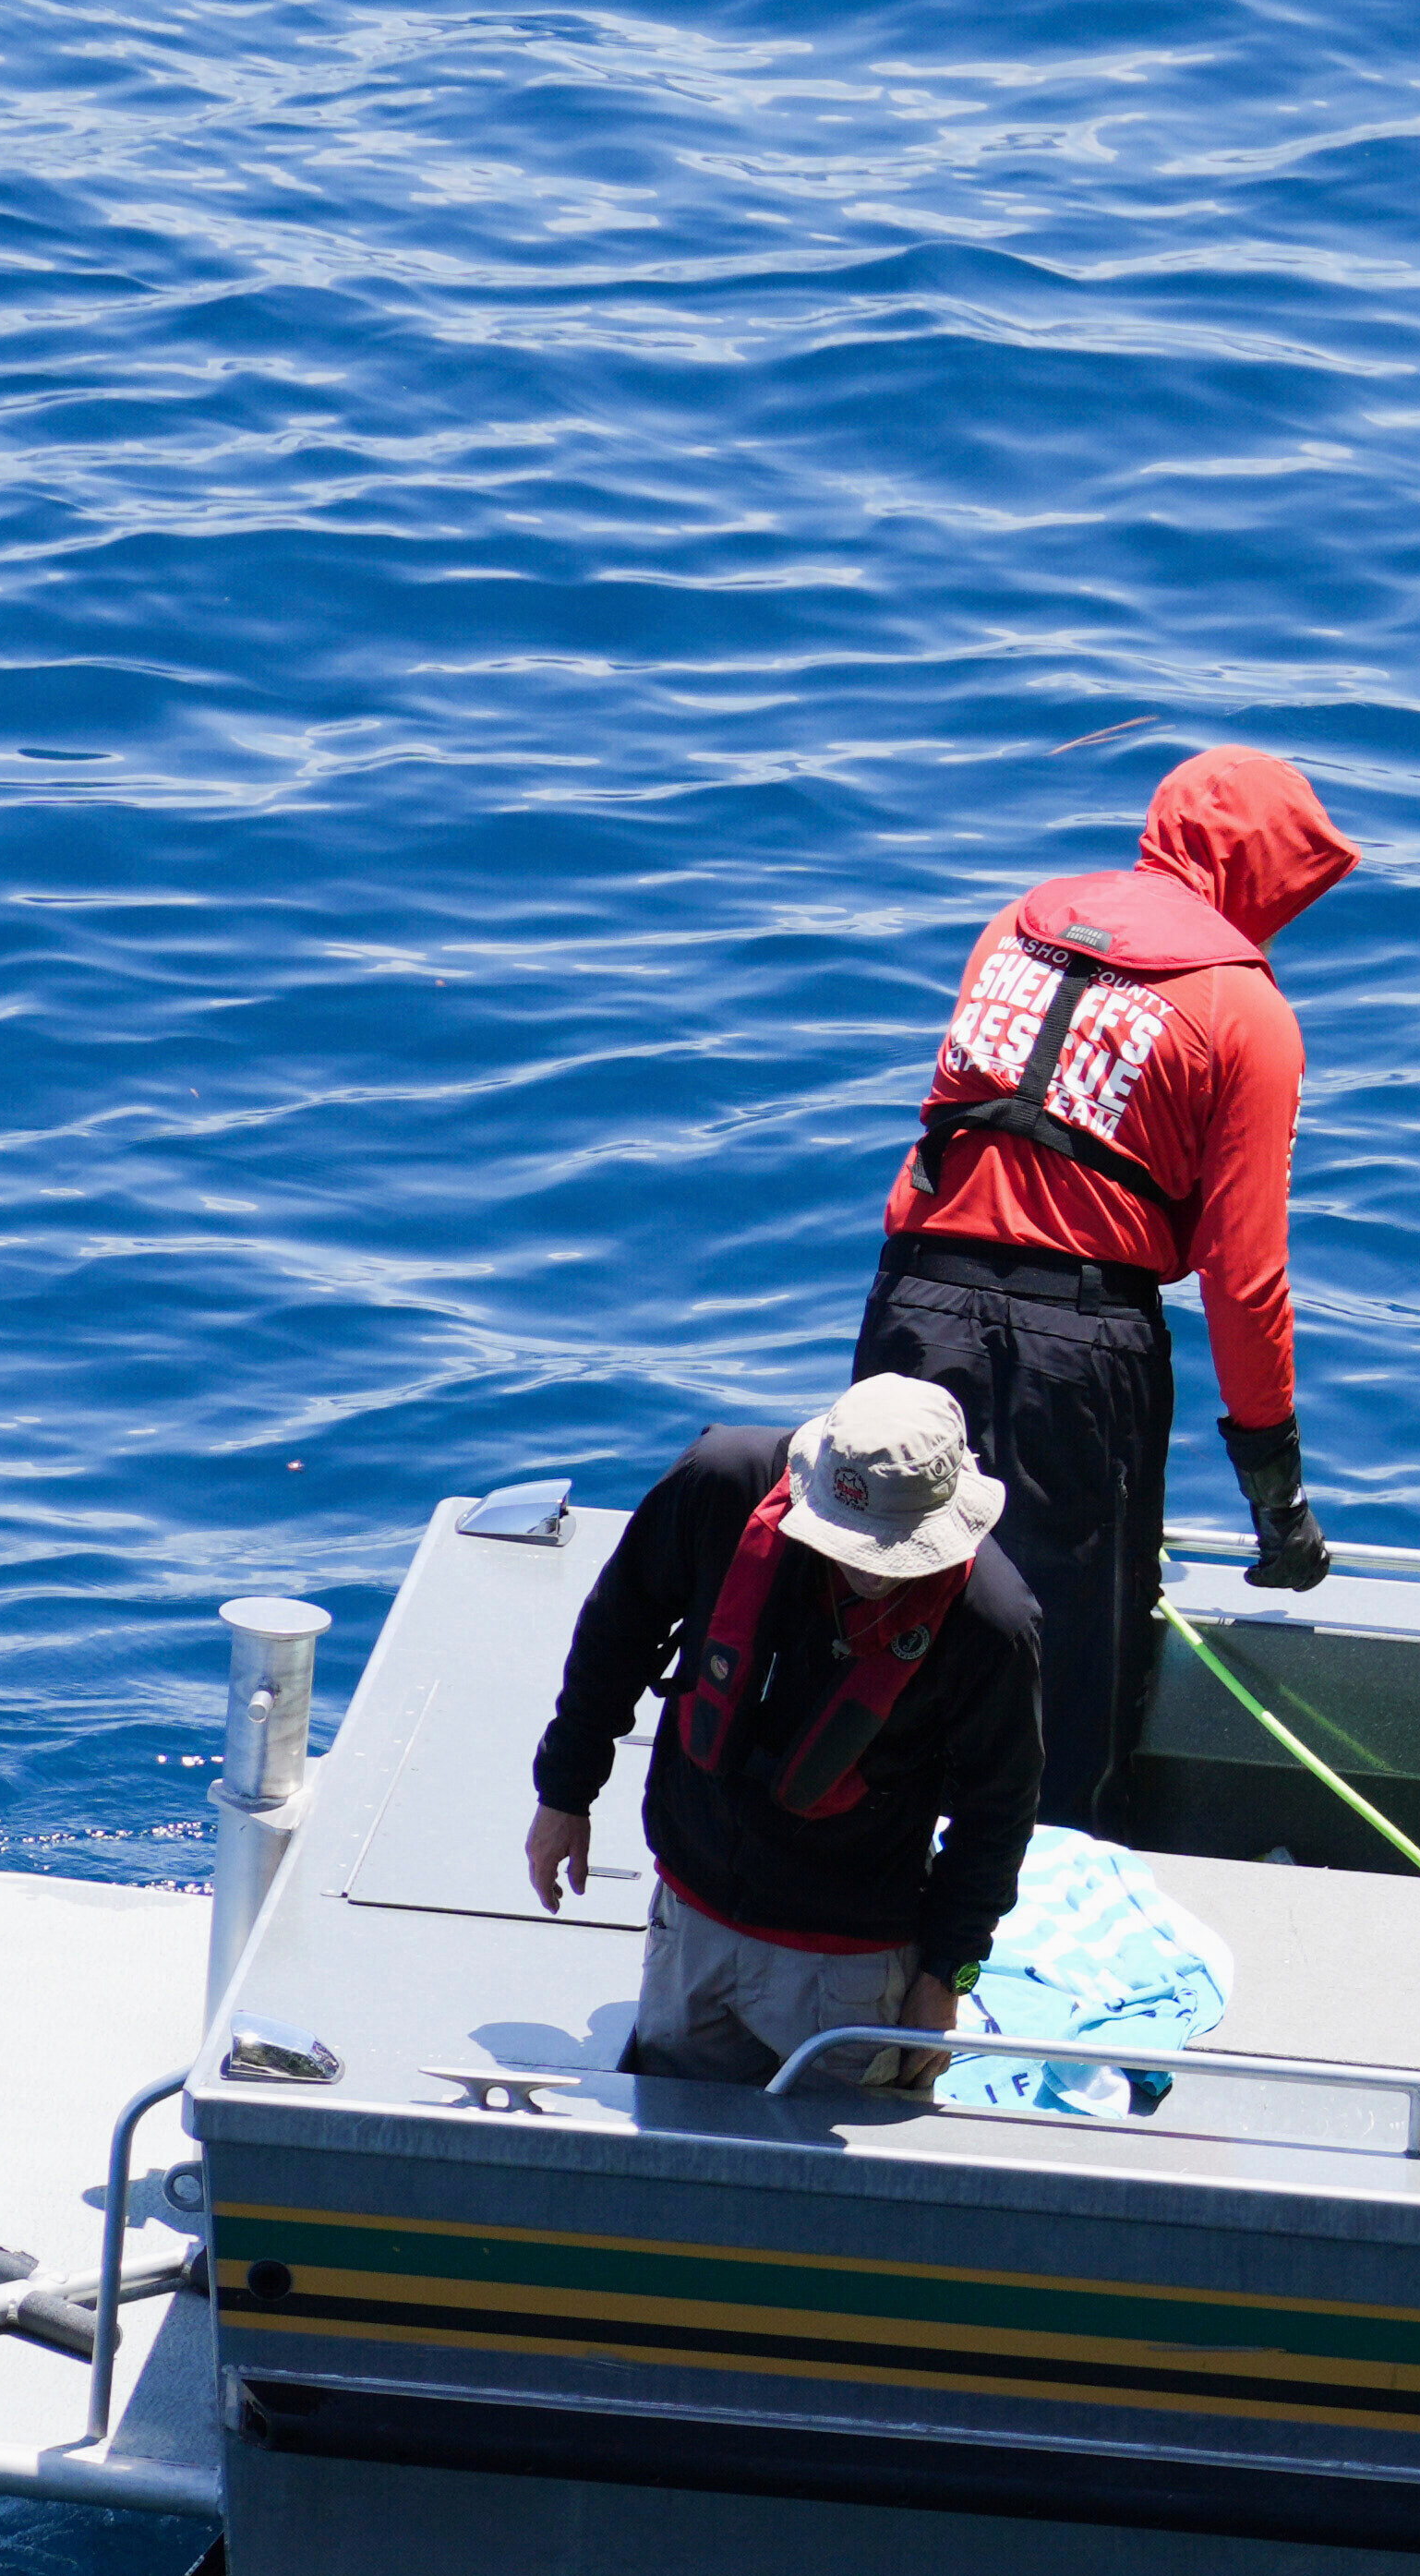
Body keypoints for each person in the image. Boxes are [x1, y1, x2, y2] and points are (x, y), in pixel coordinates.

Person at [858, 745, 1357, 1822]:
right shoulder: (1245, 1012)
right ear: (1259, 868)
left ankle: (848, 1909)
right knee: (1067, 1667)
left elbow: (937, 1145)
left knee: (879, 1610)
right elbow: (1244, 1271)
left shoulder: (1015, 927)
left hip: (911, 1300)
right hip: (1077, 1354)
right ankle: (1026, 1936)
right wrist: (1279, 1500)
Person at [528, 1373, 1053, 2089]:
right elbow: (617, 1631)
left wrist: (945, 1976)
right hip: (694, 1917)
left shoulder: (995, 1621)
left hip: (853, 1961)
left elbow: (999, 1811)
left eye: (893, 1547)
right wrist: (565, 1792)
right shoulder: (716, 1485)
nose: (871, 1570)